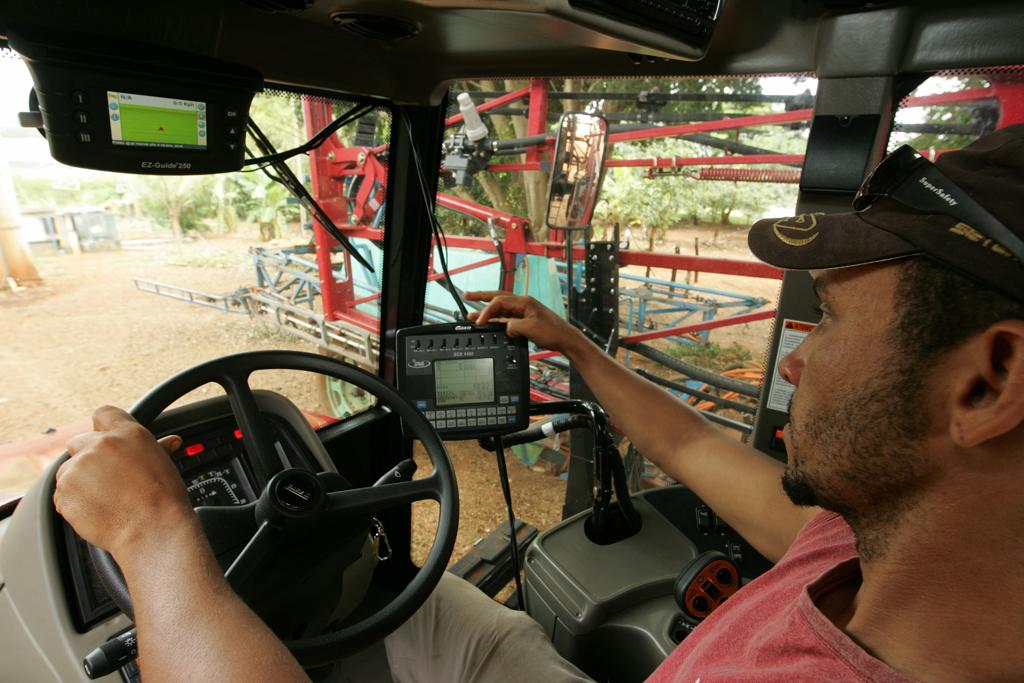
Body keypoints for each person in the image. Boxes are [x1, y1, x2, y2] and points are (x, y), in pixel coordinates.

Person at [54, 123, 1024, 682]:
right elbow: (688, 446)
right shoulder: (875, 540)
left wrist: (152, 535)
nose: (800, 362)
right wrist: (576, 349)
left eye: (836, 320)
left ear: (987, 380)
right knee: (423, 607)